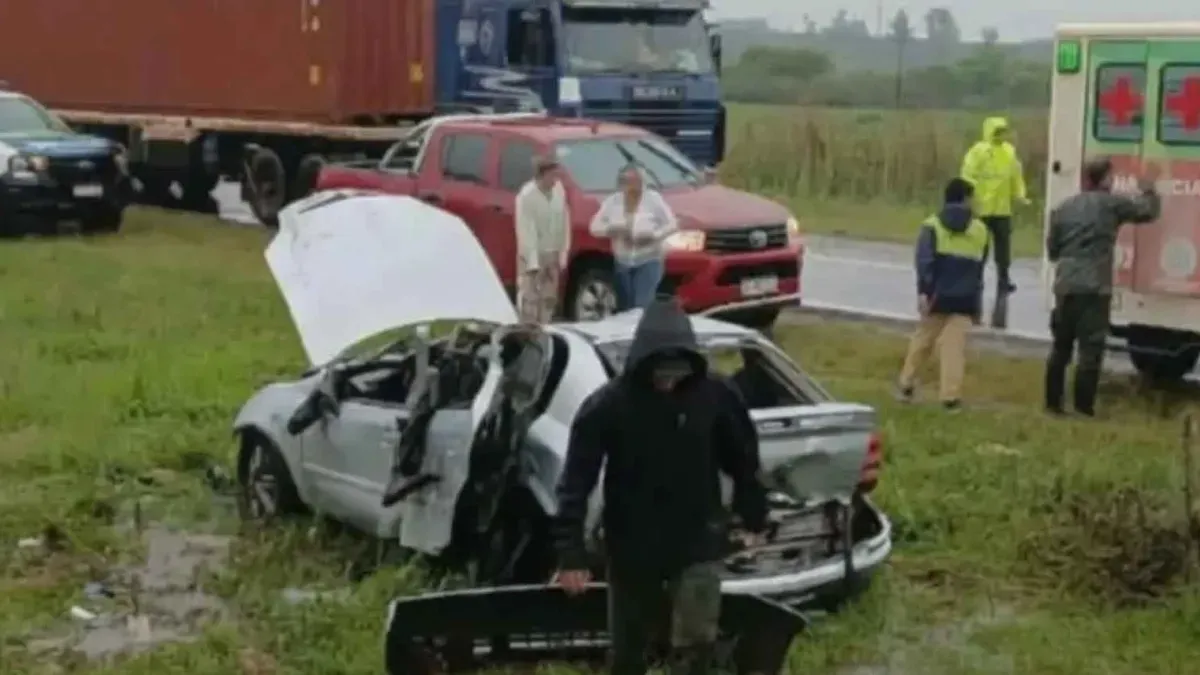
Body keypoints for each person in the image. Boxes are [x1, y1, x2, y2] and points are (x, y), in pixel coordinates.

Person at [551, 298, 768, 675]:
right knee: (628, 653)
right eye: (660, 374)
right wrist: (571, 554)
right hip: (631, 545)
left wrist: (754, 517)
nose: (667, 383)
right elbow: (575, 481)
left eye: (677, 374)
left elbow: (744, 462)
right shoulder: (608, 406)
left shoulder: (716, 398)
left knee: (695, 648)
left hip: (697, 540)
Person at [1044, 157, 1160, 417]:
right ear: (1106, 179)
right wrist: (1149, 188)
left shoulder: (1063, 208)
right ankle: (1083, 407)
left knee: (1061, 346)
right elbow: (1148, 212)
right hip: (1094, 287)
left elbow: (1053, 250)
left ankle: (1052, 404)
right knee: (1090, 349)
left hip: (1065, 284)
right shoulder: (1111, 205)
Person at [895, 177, 990, 411]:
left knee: (923, 340)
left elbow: (924, 262)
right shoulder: (981, 230)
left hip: (936, 295)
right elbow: (979, 268)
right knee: (953, 348)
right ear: (966, 198)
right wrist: (977, 305)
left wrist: (923, 292)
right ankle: (950, 397)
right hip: (966, 298)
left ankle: (906, 384)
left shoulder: (932, 226)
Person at [960, 116, 1029, 325]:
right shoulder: (979, 151)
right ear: (989, 131)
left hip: (1002, 210)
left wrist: (1020, 195)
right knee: (980, 248)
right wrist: (969, 199)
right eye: (997, 131)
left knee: (1003, 248)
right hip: (982, 209)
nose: (1001, 135)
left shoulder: (1009, 152)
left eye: (1003, 131)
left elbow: (1016, 175)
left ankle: (1004, 279)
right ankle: (975, 279)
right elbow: (968, 174)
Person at [589, 165, 678, 311]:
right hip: (623, 261)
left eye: (635, 181)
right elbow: (594, 227)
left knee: (642, 304)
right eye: (626, 181)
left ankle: (642, 331)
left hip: (649, 258)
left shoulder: (653, 199)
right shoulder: (613, 201)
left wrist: (654, 236)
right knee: (625, 306)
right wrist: (612, 230)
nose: (631, 186)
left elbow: (672, 223)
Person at [515, 155, 571, 323]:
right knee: (530, 303)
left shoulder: (558, 190)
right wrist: (534, 264)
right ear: (541, 174)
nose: (556, 179)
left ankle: (546, 332)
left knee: (548, 301)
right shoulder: (526, 196)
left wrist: (562, 255)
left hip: (552, 255)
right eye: (552, 175)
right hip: (533, 256)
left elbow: (564, 222)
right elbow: (526, 232)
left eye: (557, 175)